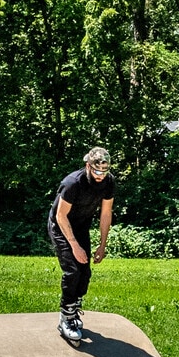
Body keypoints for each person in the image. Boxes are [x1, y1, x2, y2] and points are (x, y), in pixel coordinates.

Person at [48, 147, 115, 345]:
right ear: (88, 166)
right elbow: (61, 215)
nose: (100, 175)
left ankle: (74, 308)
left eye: (104, 171)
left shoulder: (109, 182)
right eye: (97, 171)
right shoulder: (72, 183)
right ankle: (66, 317)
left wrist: (102, 245)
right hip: (61, 226)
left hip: (81, 226)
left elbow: (105, 214)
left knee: (85, 272)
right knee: (73, 270)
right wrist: (74, 246)